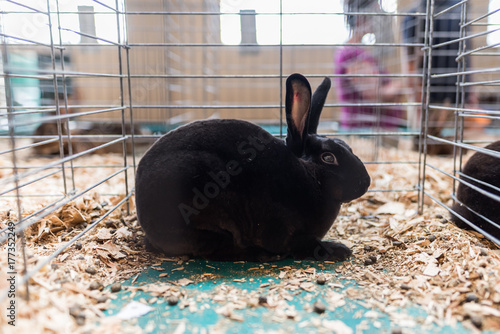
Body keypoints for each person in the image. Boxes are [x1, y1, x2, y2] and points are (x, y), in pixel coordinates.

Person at [334, 0, 404, 131]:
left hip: (374, 130)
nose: (378, 18)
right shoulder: (351, 53)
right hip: (365, 133)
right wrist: (402, 84)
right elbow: (373, 93)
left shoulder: (360, 51)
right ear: (362, 17)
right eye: (375, 13)